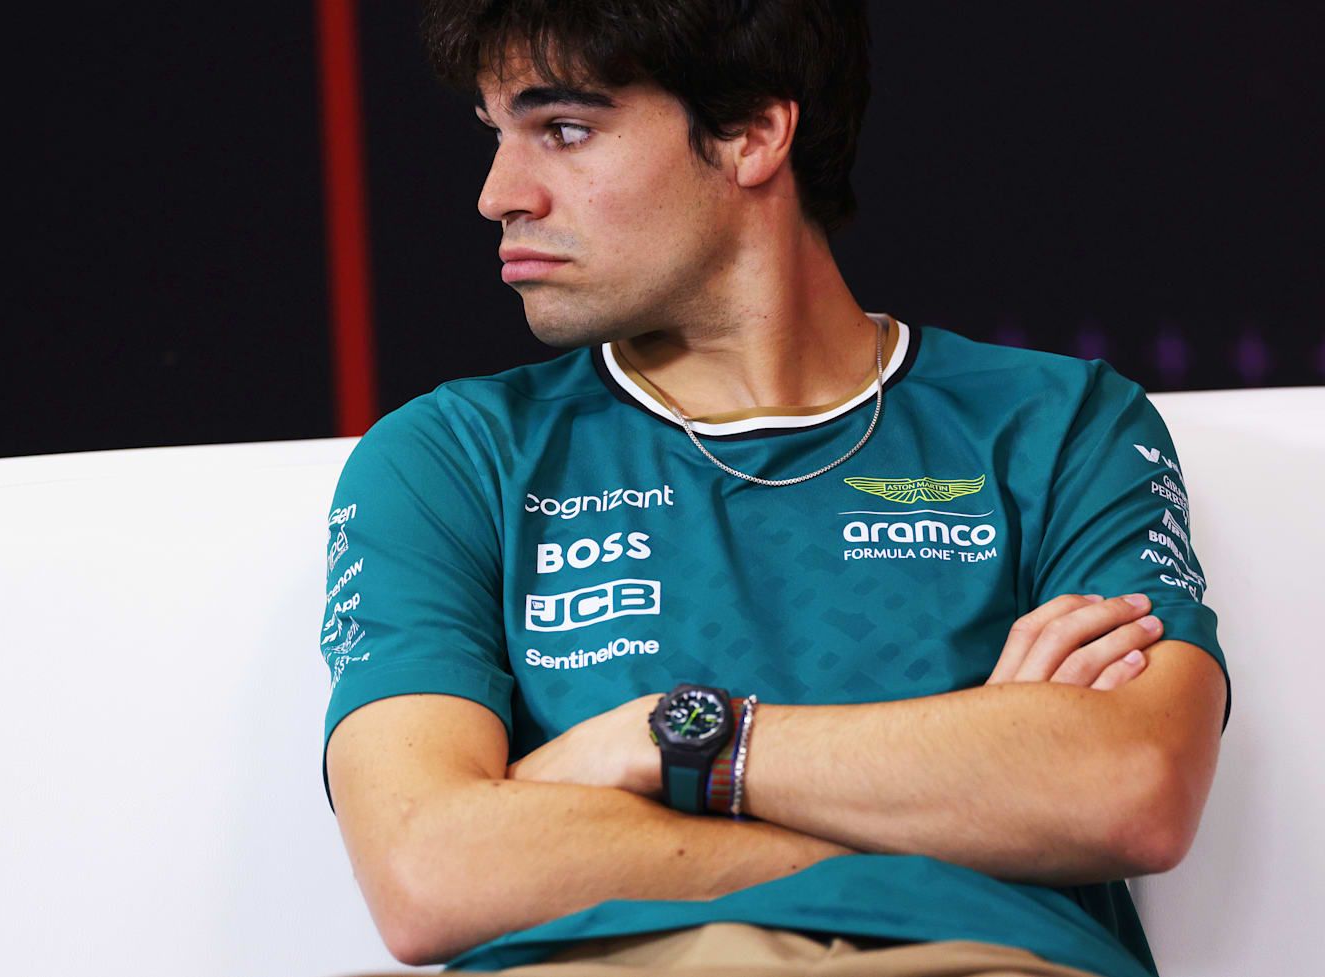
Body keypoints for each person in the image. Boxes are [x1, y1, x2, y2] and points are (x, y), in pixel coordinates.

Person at [317, 2, 1230, 975]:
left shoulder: (1058, 423)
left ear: (753, 132)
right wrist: (973, 799)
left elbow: (1130, 783)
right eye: (497, 134)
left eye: (566, 131)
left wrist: (667, 740)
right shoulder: (451, 456)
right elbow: (430, 871)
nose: (500, 193)